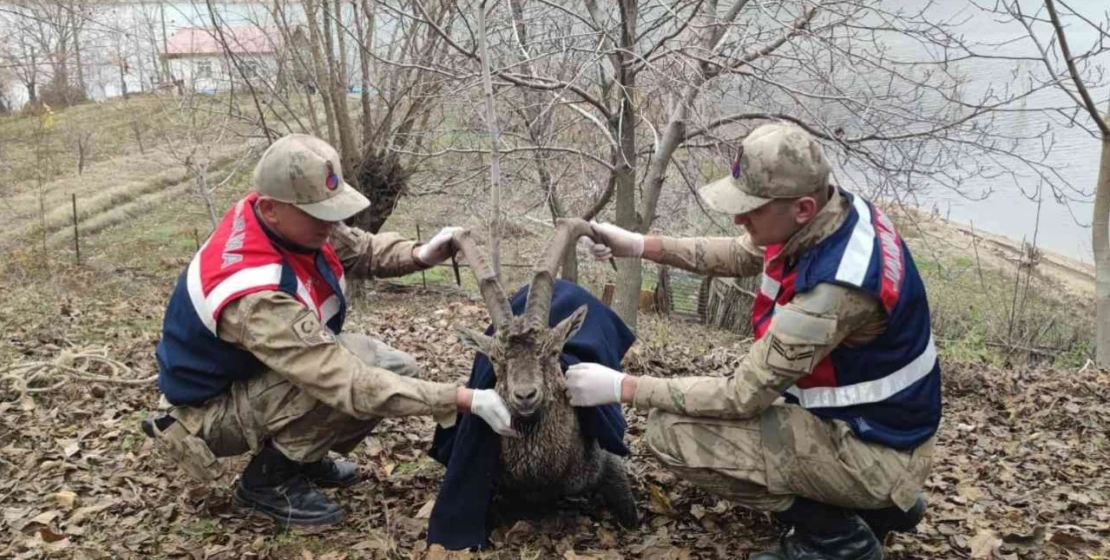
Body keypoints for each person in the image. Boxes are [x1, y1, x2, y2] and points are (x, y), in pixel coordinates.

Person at [567, 123, 941, 560]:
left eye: (751, 210)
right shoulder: (835, 214)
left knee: (671, 432)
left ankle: (837, 536)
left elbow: (741, 395)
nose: (738, 219)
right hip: (881, 429)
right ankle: (878, 505)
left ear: (801, 207)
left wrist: (621, 388)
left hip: (874, 450)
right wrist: (639, 245)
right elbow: (744, 252)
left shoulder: (833, 290)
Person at [145, 133, 518, 528]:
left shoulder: (287, 222)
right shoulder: (255, 296)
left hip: (250, 380)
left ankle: (304, 454)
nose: (331, 223)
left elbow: (361, 248)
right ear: (271, 208)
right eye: (318, 213)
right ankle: (267, 482)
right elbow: (348, 383)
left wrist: (420, 254)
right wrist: (462, 399)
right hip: (208, 413)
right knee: (364, 369)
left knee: (396, 366)